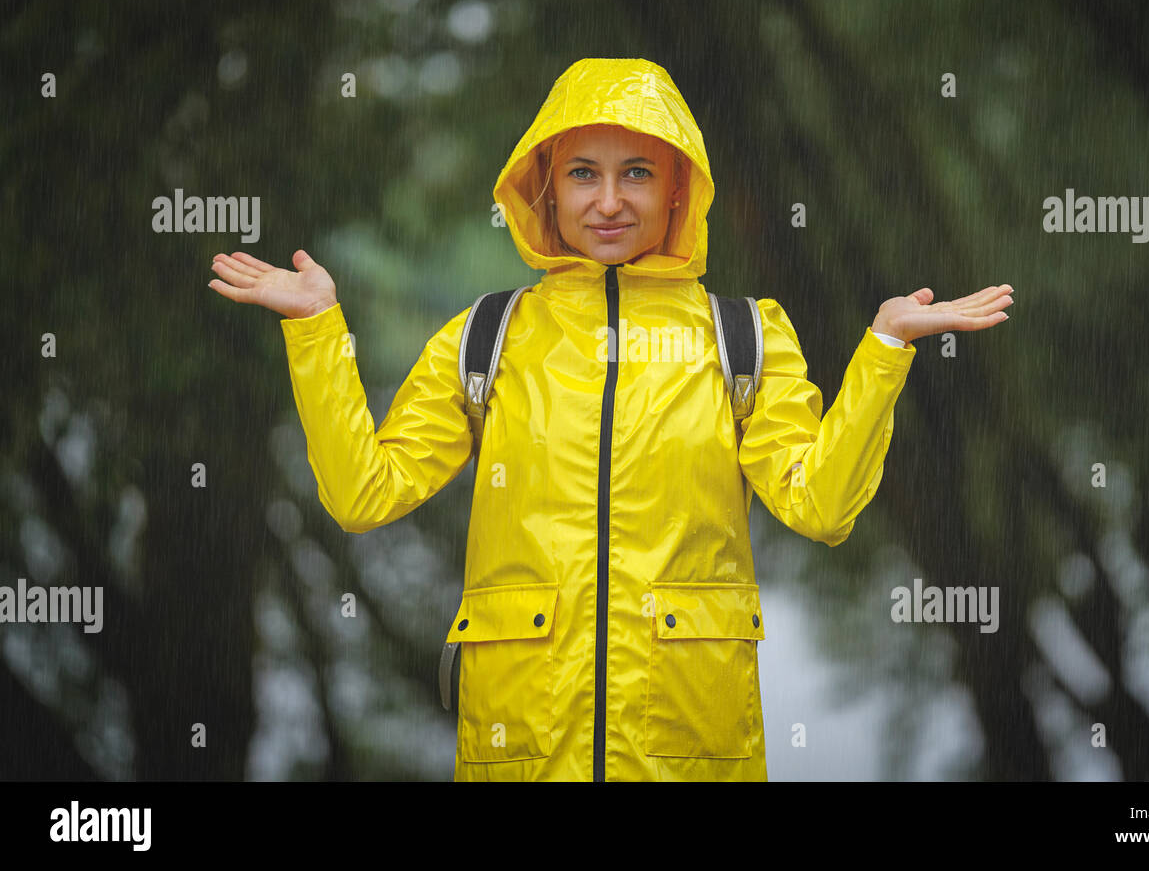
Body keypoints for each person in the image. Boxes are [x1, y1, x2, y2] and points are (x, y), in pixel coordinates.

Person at [207, 57, 1013, 781]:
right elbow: (363, 495)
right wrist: (315, 329)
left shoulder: (745, 335)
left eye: (637, 173)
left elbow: (822, 506)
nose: (609, 201)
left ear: (677, 189)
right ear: (546, 189)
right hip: (520, 751)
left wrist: (883, 349)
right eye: (583, 174)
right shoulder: (487, 335)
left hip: (692, 753)